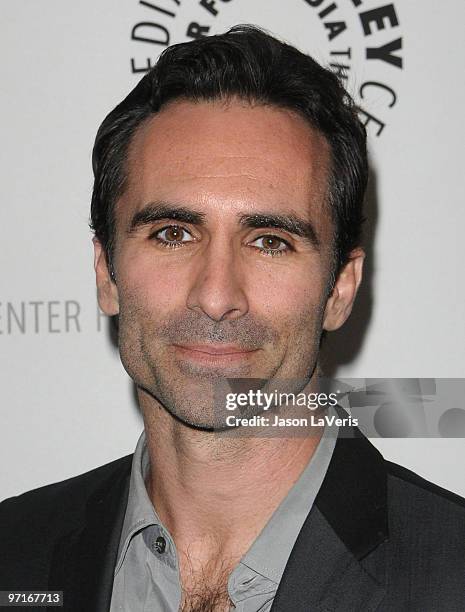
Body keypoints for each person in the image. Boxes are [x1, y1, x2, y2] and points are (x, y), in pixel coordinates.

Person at [1, 25, 464, 612]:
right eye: (173, 234)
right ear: (106, 272)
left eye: (270, 241)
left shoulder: (453, 572)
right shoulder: (13, 553)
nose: (216, 295)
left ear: (340, 288)